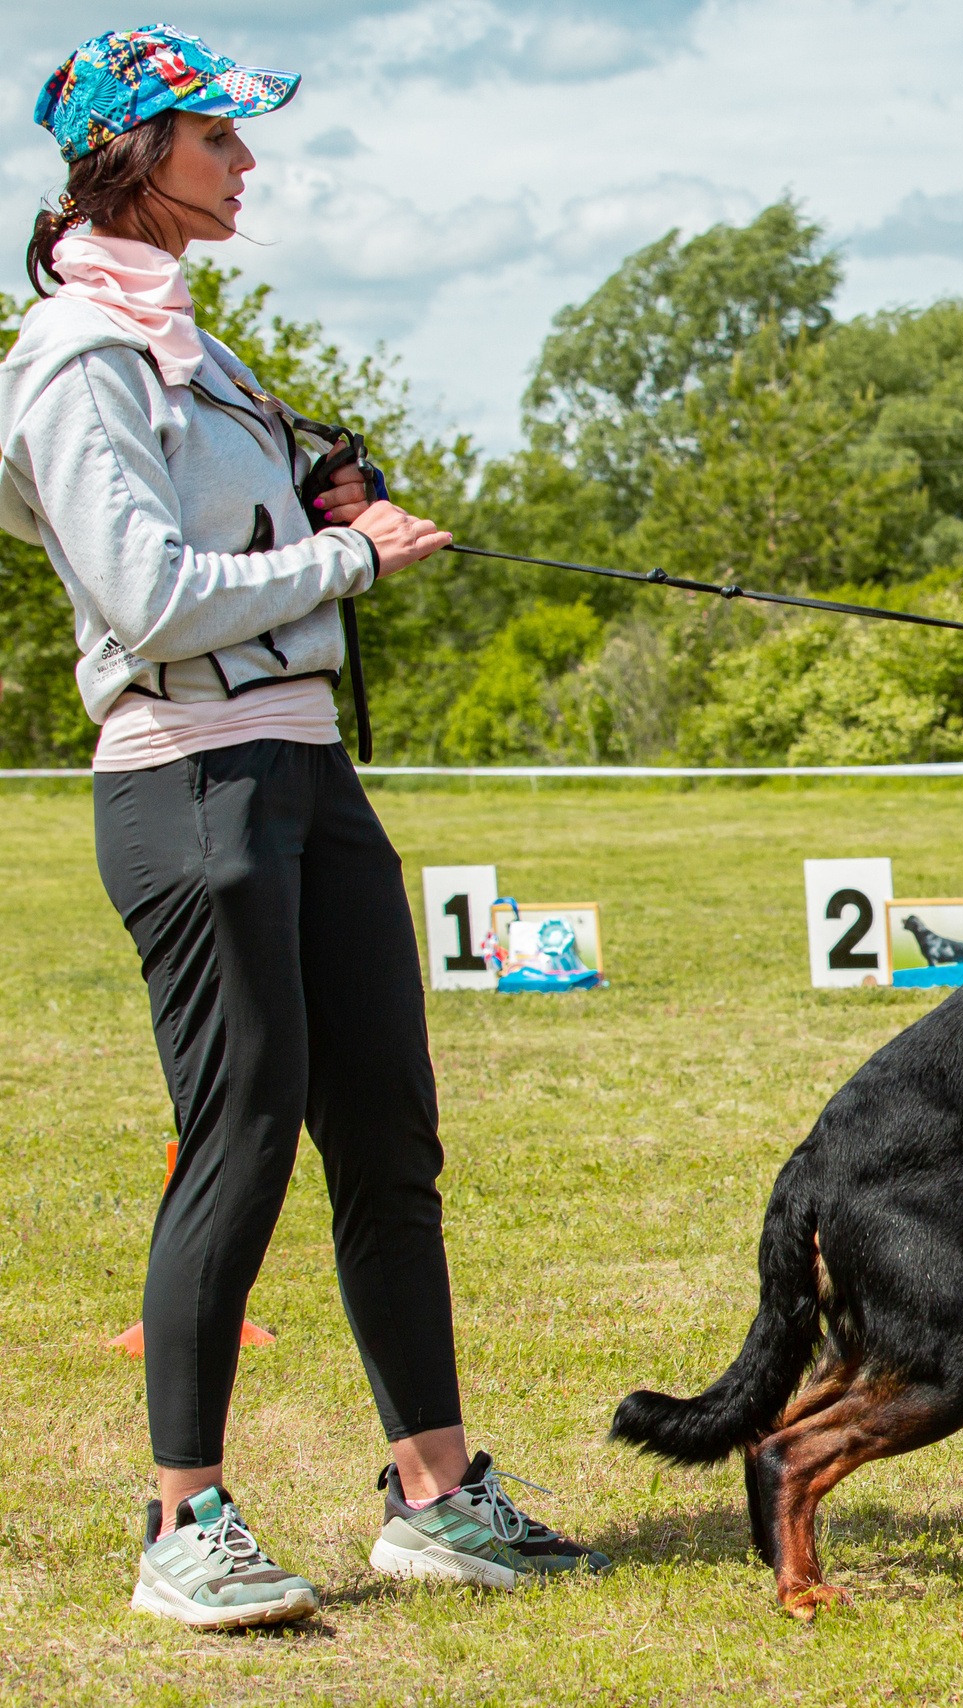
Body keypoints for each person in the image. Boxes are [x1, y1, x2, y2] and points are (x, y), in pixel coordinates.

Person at [0, 27, 608, 1630]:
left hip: (306, 768)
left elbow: (229, 522)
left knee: (389, 1138)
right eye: (219, 140)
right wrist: (350, 564)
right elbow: (141, 595)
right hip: (188, 778)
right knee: (243, 1133)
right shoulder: (78, 354)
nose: (247, 164)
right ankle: (181, 1520)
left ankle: (436, 1496)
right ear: (136, 151)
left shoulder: (198, 347)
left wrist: (320, 488)